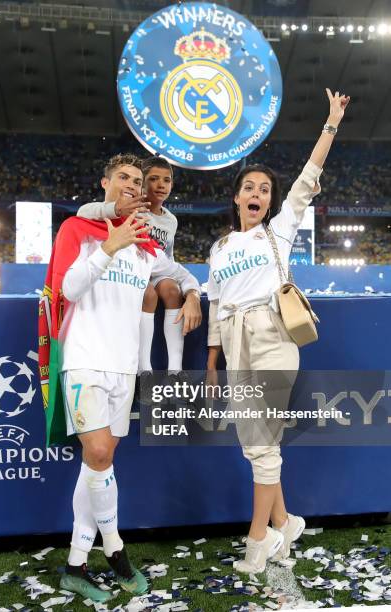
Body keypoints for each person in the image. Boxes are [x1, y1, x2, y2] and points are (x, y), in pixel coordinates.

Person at [39, 153, 202, 603]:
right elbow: (68, 289)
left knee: (96, 465)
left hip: (123, 368)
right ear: (106, 182)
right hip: (84, 361)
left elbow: (181, 273)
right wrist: (111, 244)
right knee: (97, 455)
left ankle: (74, 564)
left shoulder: (147, 245)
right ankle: (115, 550)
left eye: (137, 179)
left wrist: (191, 295)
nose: (132, 185)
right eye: (124, 178)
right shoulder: (78, 230)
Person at [206, 89, 350, 574]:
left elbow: (309, 178)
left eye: (265, 190)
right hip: (232, 341)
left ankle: (257, 539)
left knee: (263, 442)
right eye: (250, 188)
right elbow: (213, 304)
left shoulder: (280, 230)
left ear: (269, 202)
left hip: (272, 336)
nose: (257, 195)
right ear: (236, 196)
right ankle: (286, 522)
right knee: (254, 443)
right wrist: (212, 363)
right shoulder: (220, 247)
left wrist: (330, 123)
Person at [77, 156, 189, 376]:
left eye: (166, 180)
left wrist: (188, 287)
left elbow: (168, 254)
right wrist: (116, 208)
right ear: (143, 183)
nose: (160, 185)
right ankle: (144, 368)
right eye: (153, 179)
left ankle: (175, 370)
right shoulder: (133, 208)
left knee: (171, 289)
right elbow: (84, 211)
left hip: (157, 265)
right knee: (147, 293)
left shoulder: (171, 220)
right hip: (135, 268)